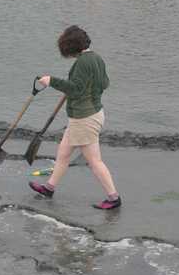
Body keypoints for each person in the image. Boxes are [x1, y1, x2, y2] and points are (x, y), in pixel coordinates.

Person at [29, 25, 121, 210]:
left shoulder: (82, 63)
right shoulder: (96, 58)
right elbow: (104, 83)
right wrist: (86, 88)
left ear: (70, 46)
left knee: (94, 161)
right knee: (63, 154)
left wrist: (51, 81)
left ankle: (113, 198)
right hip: (92, 114)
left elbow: (76, 89)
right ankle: (49, 188)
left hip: (84, 119)